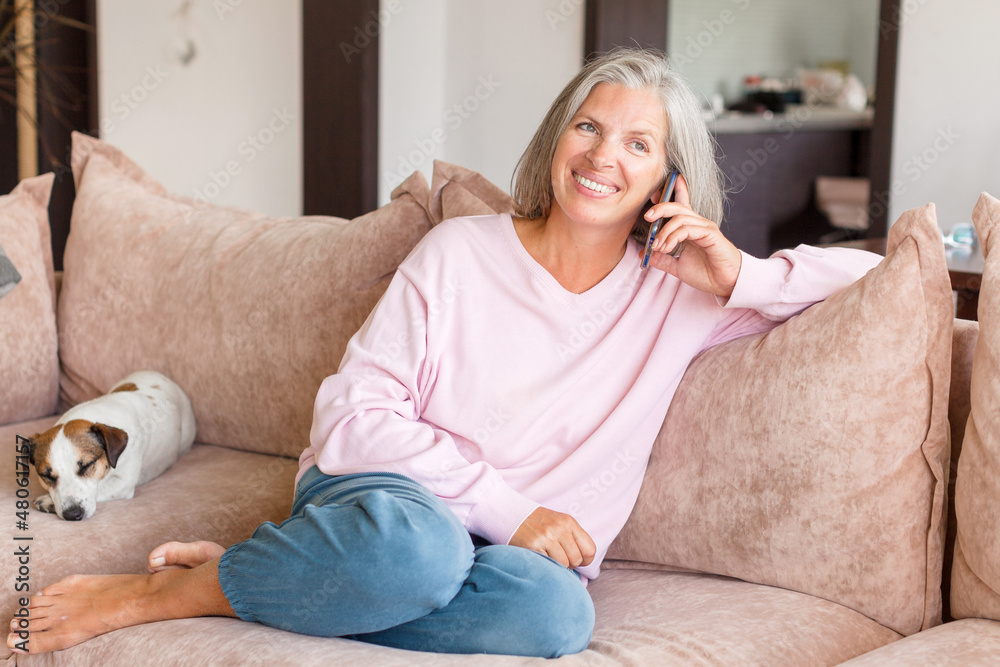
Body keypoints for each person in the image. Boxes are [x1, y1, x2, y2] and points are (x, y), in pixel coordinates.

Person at [7, 48, 881, 658]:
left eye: (638, 144)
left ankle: (274, 573)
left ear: (669, 181)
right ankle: (175, 591)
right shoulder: (461, 253)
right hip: (388, 496)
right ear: (556, 139)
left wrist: (738, 273)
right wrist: (511, 507)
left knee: (552, 615)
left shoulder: (683, 294)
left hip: (502, 557)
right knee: (422, 552)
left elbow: (880, 275)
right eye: (588, 127)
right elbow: (352, 419)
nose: (603, 156)